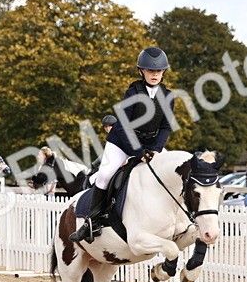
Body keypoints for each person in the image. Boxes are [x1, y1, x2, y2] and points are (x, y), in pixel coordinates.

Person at [69, 47, 174, 242]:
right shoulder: (133, 91)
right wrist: (138, 152)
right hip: (122, 141)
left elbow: (166, 127)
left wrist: (156, 149)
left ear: (163, 72)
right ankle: (92, 222)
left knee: (169, 171)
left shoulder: (168, 96)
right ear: (141, 71)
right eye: (150, 71)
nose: (154, 74)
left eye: (158, 71)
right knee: (104, 176)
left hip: (151, 144)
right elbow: (124, 126)